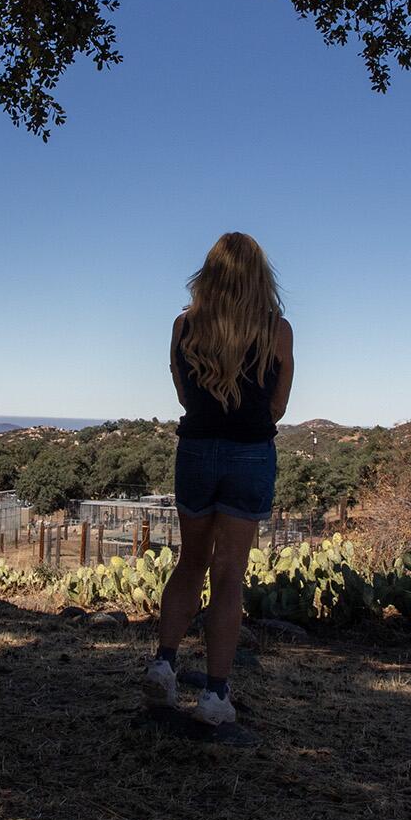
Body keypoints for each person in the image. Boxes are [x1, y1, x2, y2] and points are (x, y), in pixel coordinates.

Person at [143, 232, 294, 726]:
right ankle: (214, 695)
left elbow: (186, 396)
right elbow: (278, 406)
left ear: (207, 274)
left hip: (197, 450)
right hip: (250, 454)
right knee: (230, 573)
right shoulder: (278, 331)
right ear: (260, 277)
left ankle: (164, 664)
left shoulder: (184, 327)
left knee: (191, 561)